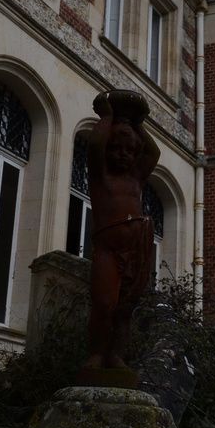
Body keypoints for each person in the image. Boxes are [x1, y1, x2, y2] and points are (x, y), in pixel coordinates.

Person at [82, 90, 160, 372]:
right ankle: (96, 354)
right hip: (108, 247)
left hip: (137, 248)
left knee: (125, 311)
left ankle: (116, 356)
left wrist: (138, 123)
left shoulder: (136, 178)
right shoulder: (101, 174)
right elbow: (94, 145)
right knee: (104, 304)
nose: (123, 154)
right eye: (116, 148)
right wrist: (107, 116)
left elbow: (154, 152)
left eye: (129, 150)